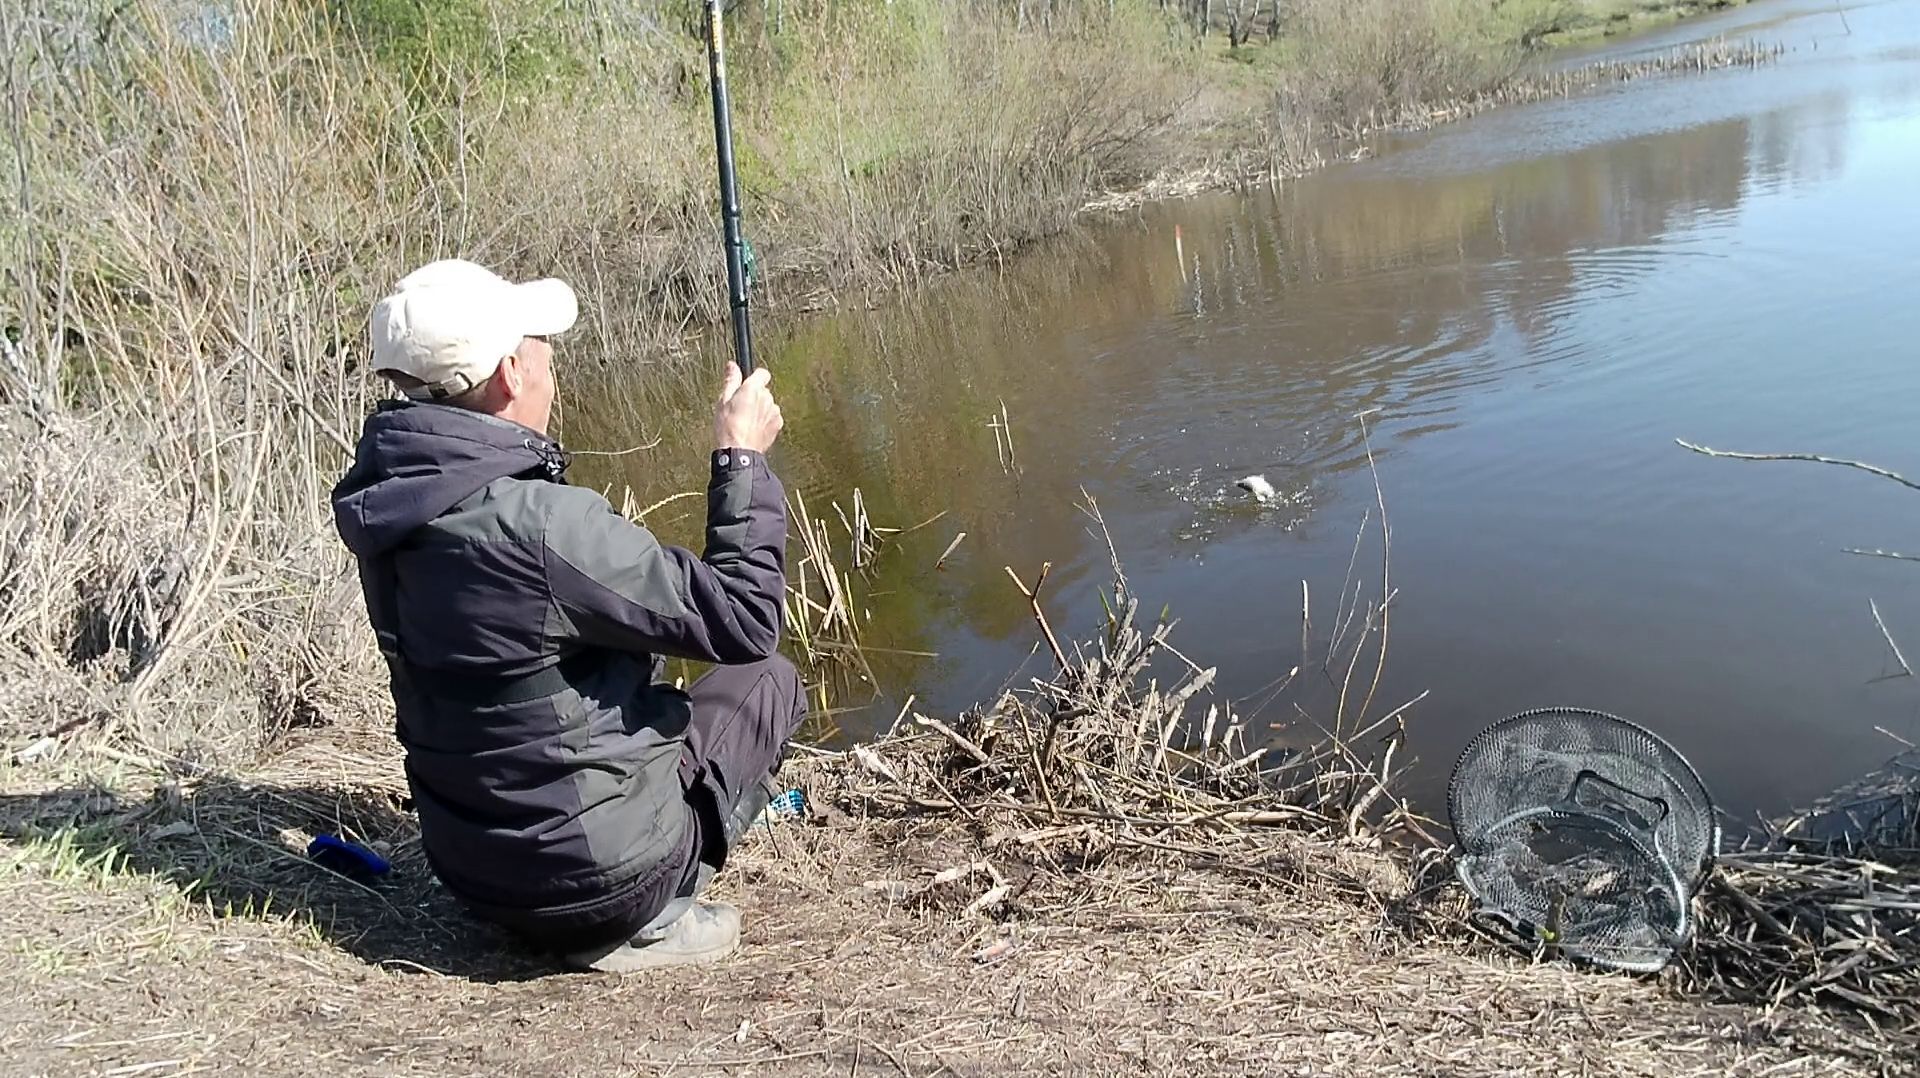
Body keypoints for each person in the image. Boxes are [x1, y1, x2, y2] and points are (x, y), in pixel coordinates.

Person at [329, 257, 803, 972]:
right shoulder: (546, 525)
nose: (552, 364)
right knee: (768, 679)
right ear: (510, 374)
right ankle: (648, 916)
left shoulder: (383, 510)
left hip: (470, 871)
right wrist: (741, 462)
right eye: (542, 347)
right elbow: (744, 619)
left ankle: (573, 888)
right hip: (600, 883)